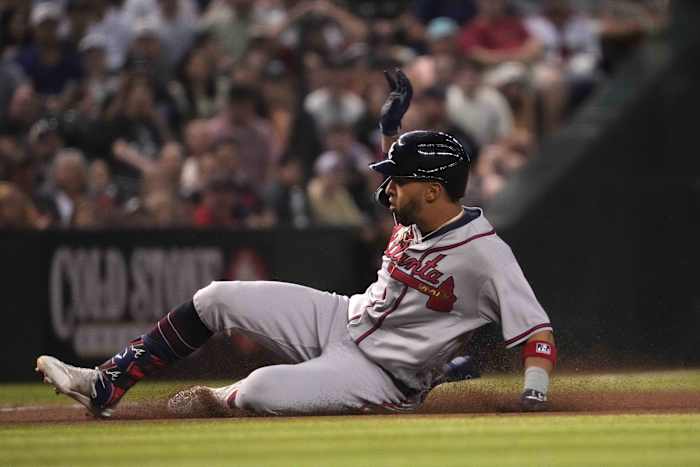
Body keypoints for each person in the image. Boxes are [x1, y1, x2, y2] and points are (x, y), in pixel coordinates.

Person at [35, 69, 555, 417]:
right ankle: (107, 383)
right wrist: (391, 128)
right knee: (217, 297)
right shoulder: (420, 210)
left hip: (382, 374)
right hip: (342, 317)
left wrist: (534, 395)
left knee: (261, 388)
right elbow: (403, 171)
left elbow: (537, 334)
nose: (387, 186)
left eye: (399, 179)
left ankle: (220, 399)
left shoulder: (484, 253)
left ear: (433, 190)